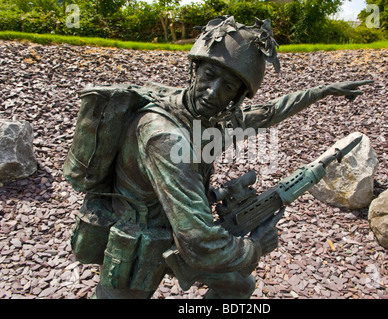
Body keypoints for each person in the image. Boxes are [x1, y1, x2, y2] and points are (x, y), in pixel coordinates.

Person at [91, 16, 373, 299]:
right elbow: (199, 240)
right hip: (138, 246)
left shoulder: (207, 117)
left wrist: (321, 91)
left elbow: (268, 113)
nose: (213, 92)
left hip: (176, 227)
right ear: (195, 70)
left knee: (237, 285)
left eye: (228, 87)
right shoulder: (163, 135)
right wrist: (254, 248)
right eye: (209, 76)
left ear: (236, 98)